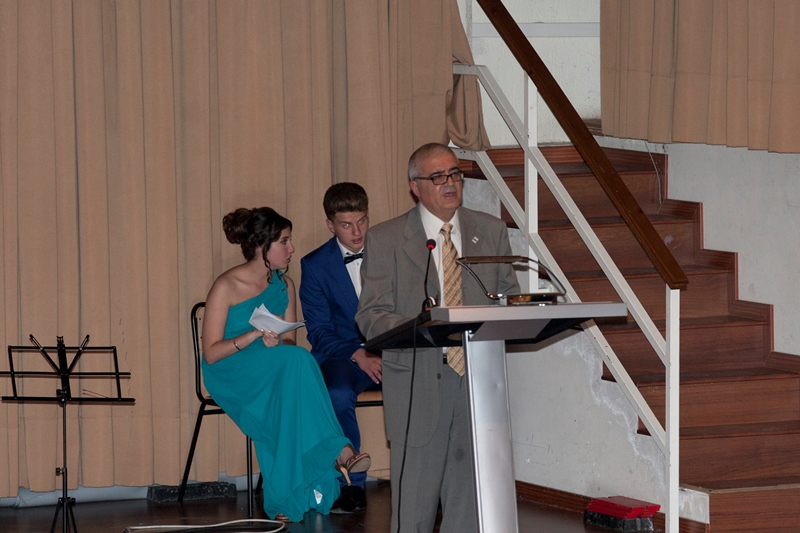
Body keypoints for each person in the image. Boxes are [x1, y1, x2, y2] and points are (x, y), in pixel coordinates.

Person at [355, 143, 519, 533]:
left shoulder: (490, 231)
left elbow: (508, 297)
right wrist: (426, 327)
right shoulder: (386, 238)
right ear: (415, 186)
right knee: (414, 507)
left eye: (455, 174)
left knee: (470, 504)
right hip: (418, 380)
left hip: (477, 382)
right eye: (438, 176)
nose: (450, 183)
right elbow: (371, 315)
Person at [201, 206, 370, 523]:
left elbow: (289, 342)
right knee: (299, 362)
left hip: (273, 365)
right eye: (284, 241)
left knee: (295, 368)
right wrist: (253, 335)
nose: (291, 248)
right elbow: (210, 354)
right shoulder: (226, 285)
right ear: (261, 247)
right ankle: (339, 450)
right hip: (231, 369)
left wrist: (275, 341)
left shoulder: (286, 284)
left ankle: (286, 498)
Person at [299, 183, 382, 514]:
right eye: (347, 225)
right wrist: (358, 354)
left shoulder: (389, 250)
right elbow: (318, 331)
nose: (357, 232)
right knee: (335, 391)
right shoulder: (315, 265)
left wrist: (384, 349)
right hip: (342, 356)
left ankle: (430, 480)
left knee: (430, 379)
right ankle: (351, 486)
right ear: (330, 225)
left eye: (362, 221)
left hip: (389, 349)